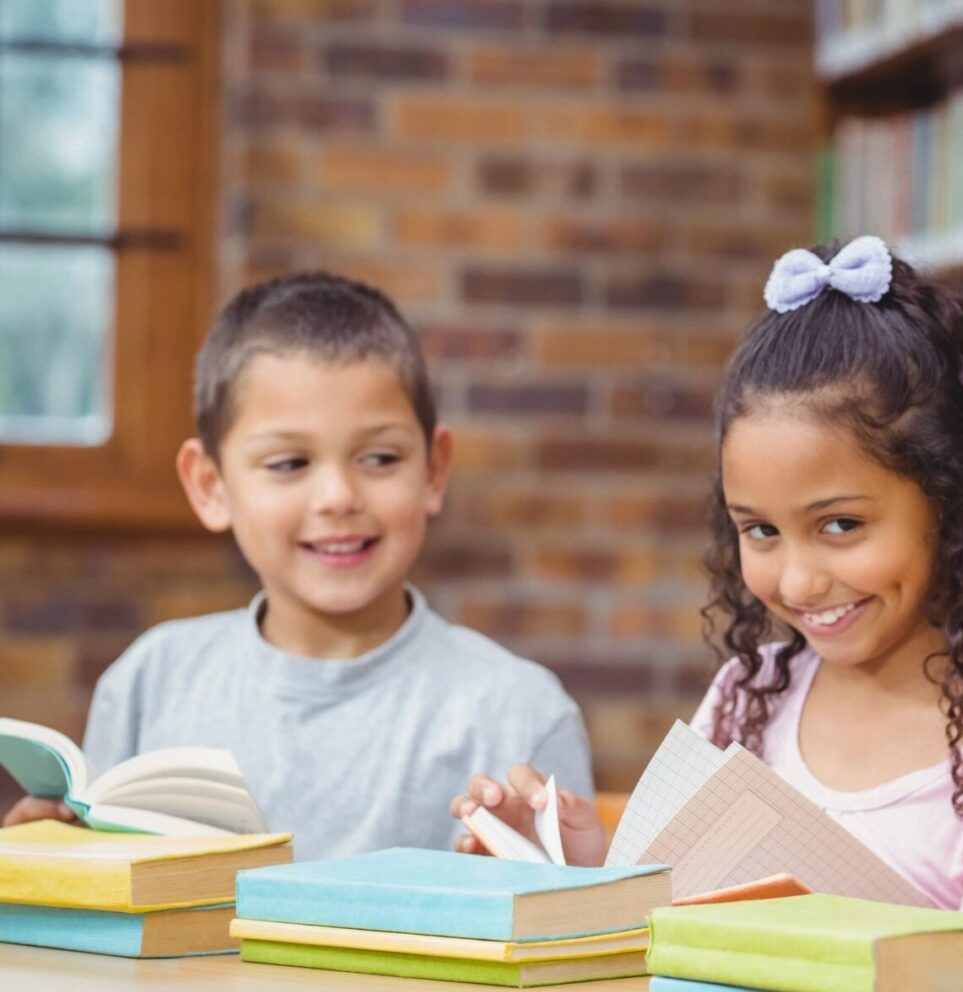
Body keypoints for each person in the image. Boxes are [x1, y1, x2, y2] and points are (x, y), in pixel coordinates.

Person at [452, 237, 963, 907]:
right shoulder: (745, 701)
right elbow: (676, 919)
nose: (800, 582)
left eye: (841, 525)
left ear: (956, 500)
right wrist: (587, 867)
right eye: (761, 531)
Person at [3, 272, 593, 860]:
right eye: (289, 463)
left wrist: (551, 883)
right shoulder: (149, 684)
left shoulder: (520, 710)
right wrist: (56, 862)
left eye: (381, 458)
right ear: (210, 486)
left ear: (434, 471)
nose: (337, 496)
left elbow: (582, 930)